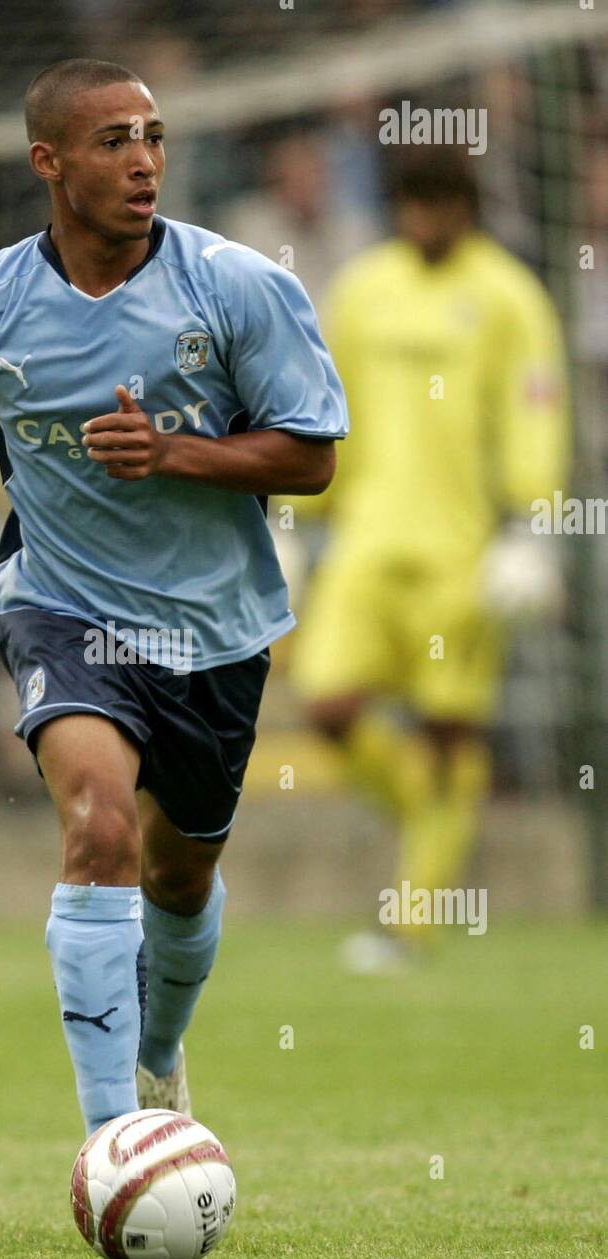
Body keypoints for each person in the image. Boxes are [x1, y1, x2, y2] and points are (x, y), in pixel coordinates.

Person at [0, 58, 346, 1136]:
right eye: (114, 140)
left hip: (216, 628)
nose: (143, 160)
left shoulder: (239, 285)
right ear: (49, 162)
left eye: (154, 136)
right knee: (99, 827)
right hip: (63, 608)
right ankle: (113, 1138)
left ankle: (159, 1058)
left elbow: (310, 459)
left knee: (179, 876)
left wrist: (174, 453)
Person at [286, 150, 569, 972]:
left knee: (450, 729)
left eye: (436, 206)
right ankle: (432, 819)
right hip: (365, 542)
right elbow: (323, 404)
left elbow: (535, 412)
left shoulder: (508, 297)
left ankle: (412, 920)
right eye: (409, 206)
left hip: (463, 554)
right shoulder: (364, 288)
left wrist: (533, 525)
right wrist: (291, 518)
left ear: (465, 209)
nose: (421, 222)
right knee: (329, 707)